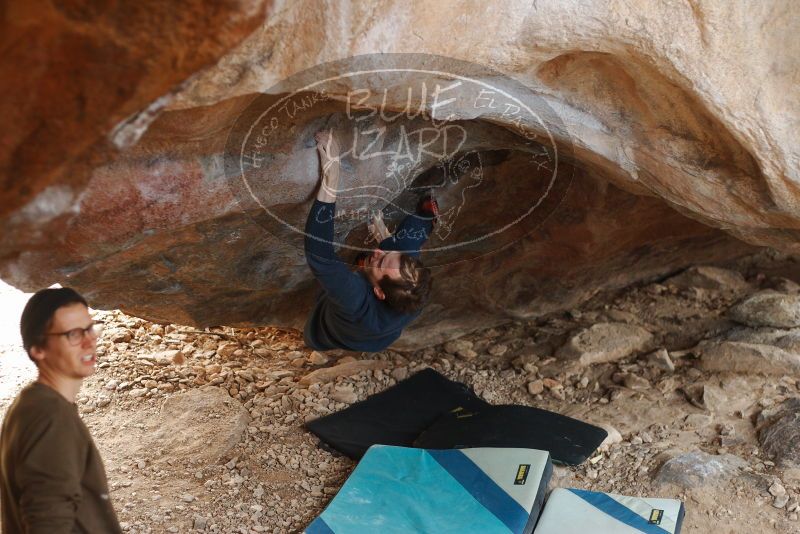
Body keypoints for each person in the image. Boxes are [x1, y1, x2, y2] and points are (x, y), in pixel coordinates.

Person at [1, 287, 122, 533]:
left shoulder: (29, 405)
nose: (90, 341)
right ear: (38, 350)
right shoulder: (50, 417)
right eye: (73, 334)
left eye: (89, 329)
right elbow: (48, 523)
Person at [304, 130, 436, 352]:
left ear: (378, 293)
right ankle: (425, 218)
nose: (377, 251)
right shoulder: (413, 293)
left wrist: (331, 178)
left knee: (315, 331)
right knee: (405, 248)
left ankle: (376, 263)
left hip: (329, 335)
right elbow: (399, 263)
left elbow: (320, 256)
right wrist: (390, 247)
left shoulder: (355, 300)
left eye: (381, 261)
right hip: (384, 329)